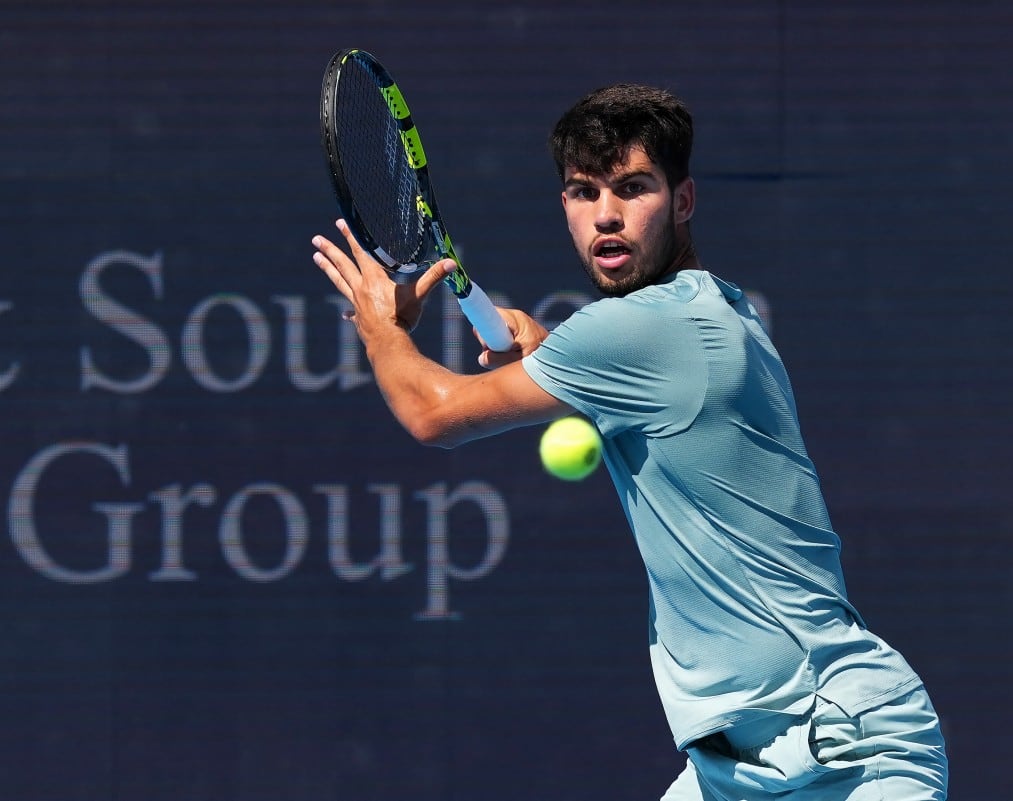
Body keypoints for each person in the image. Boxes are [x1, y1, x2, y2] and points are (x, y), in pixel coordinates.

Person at [312, 83, 948, 801]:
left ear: (683, 202)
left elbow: (433, 413)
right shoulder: (713, 310)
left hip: (842, 753)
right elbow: (654, 398)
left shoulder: (640, 329)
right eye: (584, 192)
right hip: (730, 771)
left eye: (633, 188)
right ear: (564, 208)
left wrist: (380, 329)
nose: (605, 215)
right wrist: (550, 347)